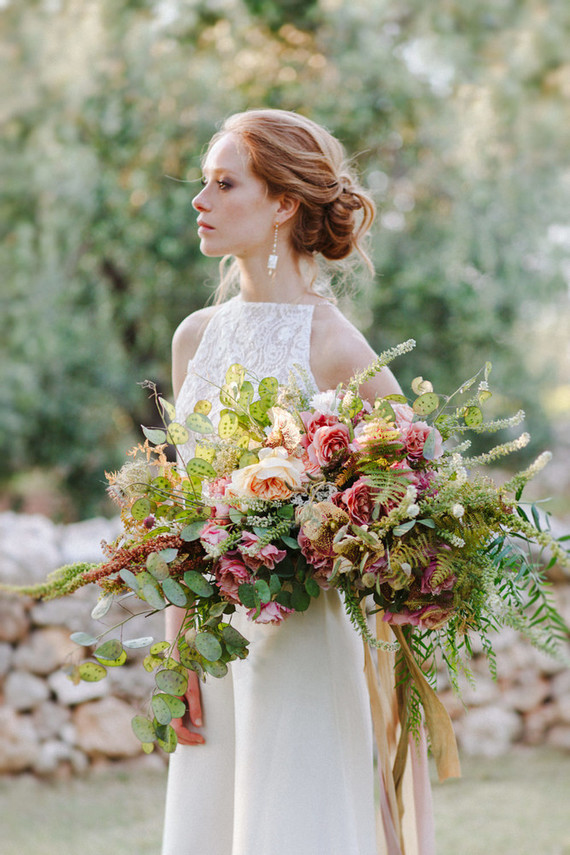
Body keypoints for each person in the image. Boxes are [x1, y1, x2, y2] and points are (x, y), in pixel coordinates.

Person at [161, 109, 434, 855]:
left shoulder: (334, 342)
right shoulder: (195, 337)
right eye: (203, 183)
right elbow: (180, 517)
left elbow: (423, 480)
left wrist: (403, 578)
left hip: (304, 641)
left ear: (283, 203)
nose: (201, 201)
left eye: (225, 183)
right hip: (218, 643)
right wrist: (178, 654)